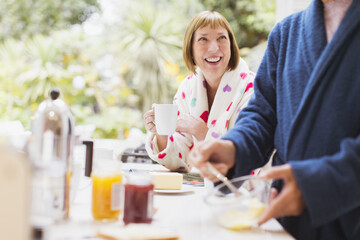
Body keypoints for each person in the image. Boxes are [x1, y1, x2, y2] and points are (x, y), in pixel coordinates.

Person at [189, 0, 360, 239]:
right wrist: (234, 147)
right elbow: (262, 113)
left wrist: (317, 185)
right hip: (284, 224)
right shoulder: (287, 33)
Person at [143, 11, 255, 172]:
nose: (214, 48)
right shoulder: (188, 88)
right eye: (203, 39)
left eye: (221, 38)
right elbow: (179, 160)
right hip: (202, 190)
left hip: (245, 190)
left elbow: (248, 153)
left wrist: (200, 131)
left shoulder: (253, 88)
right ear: (191, 50)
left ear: (231, 44)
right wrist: (161, 132)